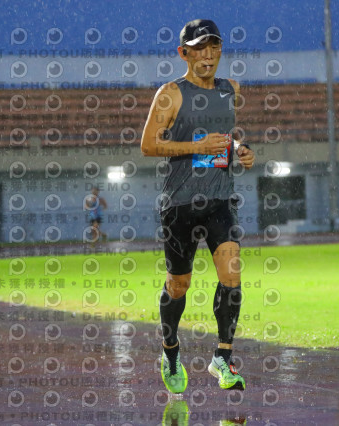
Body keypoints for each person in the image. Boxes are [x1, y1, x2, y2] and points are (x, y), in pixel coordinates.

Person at [140, 19, 256, 393]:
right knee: (179, 284)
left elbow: (225, 135)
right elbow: (148, 145)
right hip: (179, 204)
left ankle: (222, 356)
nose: (207, 55)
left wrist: (240, 149)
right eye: (199, 48)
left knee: (232, 275)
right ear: (184, 53)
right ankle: (170, 350)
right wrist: (196, 147)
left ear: (221, 50)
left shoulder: (231, 89)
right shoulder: (170, 94)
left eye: (213, 47)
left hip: (220, 199)